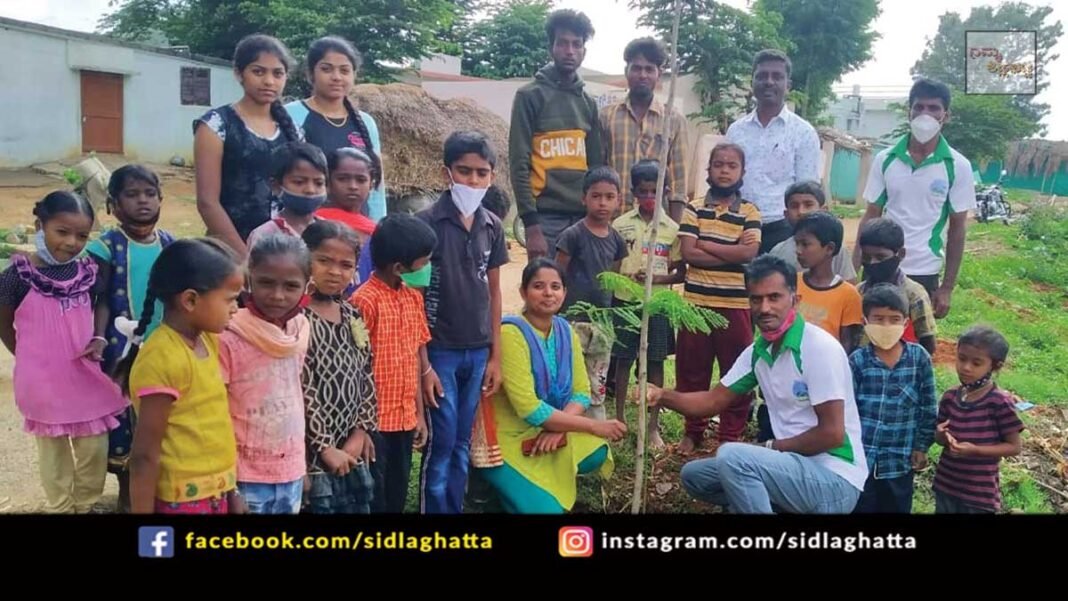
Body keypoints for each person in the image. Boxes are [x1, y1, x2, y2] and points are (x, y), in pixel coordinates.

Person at [647, 255, 868, 514]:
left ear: (795, 300)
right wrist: (660, 395)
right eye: (756, 299)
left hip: (834, 480)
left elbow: (832, 434)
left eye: (774, 297)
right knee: (695, 475)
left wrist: (772, 448)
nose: (764, 308)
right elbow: (712, 401)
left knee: (733, 457)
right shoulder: (758, 352)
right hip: (792, 467)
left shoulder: (819, 348)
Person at [0, 192, 127, 514]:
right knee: (53, 453)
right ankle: (61, 507)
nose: (72, 242)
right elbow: (3, 322)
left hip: (84, 376)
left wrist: (98, 336)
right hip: (42, 381)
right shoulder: (16, 277)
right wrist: (26, 355)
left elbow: (101, 303)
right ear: (39, 226)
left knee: (94, 449)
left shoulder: (87, 271)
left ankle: (85, 504)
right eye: (62, 231)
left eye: (82, 235)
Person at [477, 259, 627, 513]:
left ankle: (535, 483)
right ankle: (499, 495)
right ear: (523, 292)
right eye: (538, 286)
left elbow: (581, 392)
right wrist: (593, 425)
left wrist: (558, 430)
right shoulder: (510, 335)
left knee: (597, 453)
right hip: (508, 439)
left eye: (555, 287)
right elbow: (530, 410)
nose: (548, 293)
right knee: (548, 512)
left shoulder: (565, 331)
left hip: (547, 431)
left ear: (564, 293)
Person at [417, 131, 509, 514]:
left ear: (491, 176)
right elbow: (414, 300)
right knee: (441, 442)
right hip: (440, 351)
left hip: (478, 352)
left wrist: (496, 357)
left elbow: (495, 292)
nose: (473, 181)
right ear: (446, 173)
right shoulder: (426, 225)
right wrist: (422, 367)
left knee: (460, 444)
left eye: (481, 173)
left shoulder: (492, 226)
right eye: (464, 171)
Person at [120, 238, 244, 514]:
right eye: (230, 299)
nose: (236, 308)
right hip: (182, 502)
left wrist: (231, 489)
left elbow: (213, 424)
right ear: (190, 300)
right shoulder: (162, 358)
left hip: (217, 493)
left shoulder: (208, 341)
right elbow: (144, 455)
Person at [87, 165, 175, 512]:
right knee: (125, 420)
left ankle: (159, 492)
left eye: (149, 194)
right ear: (113, 204)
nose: (142, 201)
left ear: (160, 200)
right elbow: (102, 298)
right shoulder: (106, 246)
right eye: (132, 194)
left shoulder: (170, 244)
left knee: (160, 418)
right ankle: (128, 497)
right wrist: (98, 337)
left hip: (163, 345)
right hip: (121, 348)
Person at [855, 77, 976, 317]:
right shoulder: (886, 159)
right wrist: (853, 270)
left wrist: (947, 288)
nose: (925, 114)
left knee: (916, 344)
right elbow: (871, 216)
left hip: (924, 270)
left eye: (934, 108)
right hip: (879, 265)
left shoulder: (958, 166)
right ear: (909, 112)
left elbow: (957, 229)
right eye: (919, 107)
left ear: (946, 116)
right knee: (869, 337)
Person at [675, 143, 761, 453]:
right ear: (709, 170)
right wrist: (731, 253)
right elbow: (687, 252)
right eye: (719, 164)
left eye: (732, 165)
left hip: (736, 305)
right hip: (695, 304)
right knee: (691, 370)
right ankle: (693, 431)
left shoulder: (750, 211)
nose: (725, 170)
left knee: (736, 371)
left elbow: (750, 253)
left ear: (742, 172)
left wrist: (706, 246)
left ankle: (730, 435)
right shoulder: (694, 207)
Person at [219, 234, 311, 514]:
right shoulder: (228, 334)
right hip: (244, 475)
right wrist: (229, 485)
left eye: (291, 286)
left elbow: (295, 398)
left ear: (307, 286)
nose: (278, 295)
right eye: (266, 282)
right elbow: (216, 412)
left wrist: (300, 466)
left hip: (290, 469)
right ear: (248, 280)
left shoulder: (300, 328)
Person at [351, 215, 437, 513]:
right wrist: (359, 427)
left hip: (404, 419)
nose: (427, 268)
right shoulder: (364, 302)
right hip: (373, 424)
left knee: (397, 495)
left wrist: (419, 416)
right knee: (374, 498)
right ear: (399, 267)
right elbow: (356, 368)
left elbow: (414, 355)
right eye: (423, 262)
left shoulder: (412, 297)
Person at [194, 34, 303, 257]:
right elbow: (208, 202)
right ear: (238, 73)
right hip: (229, 254)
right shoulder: (216, 125)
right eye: (258, 71)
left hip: (286, 256)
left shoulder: (294, 130)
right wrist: (246, 259)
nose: (269, 81)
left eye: (277, 73)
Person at [509, 8, 604, 261]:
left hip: (583, 218)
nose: (570, 51)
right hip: (544, 219)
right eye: (563, 43)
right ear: (551, 47)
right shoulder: (529, 96)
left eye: (577, 44)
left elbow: (596, 167)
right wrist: (531, 224)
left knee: (583, 296)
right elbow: (519, 163)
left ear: (584, 50)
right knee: (544, 296)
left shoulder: (588, 103)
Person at [300, 221, 378, 514]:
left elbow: (366, 372)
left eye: (346, 265)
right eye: (323, 261)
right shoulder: (297, 318)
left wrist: (361, 431)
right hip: (313, 457)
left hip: (351, 448)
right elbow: (302, 386)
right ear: (303, 258)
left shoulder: (351, 313)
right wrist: (323, 447)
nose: (335, 272)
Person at [611, 159, 684, 445]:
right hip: (626, 302)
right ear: (634, 193)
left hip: (658, 305)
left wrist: (657, 281)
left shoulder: (672, 229)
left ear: (666, 192)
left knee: (655, 361)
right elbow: (612, 268)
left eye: (655, 191)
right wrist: (625, 279)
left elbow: (680, 271)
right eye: (643, 192)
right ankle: (618, 418)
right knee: (624, 360)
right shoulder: (621, 225)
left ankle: (652, 424)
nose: (649, 198)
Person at [850, 284, 936, 514]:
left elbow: (928, 406)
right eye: (878, 319)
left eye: (894, 319)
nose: (886, 326)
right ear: (865, 321)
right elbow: (847, 411)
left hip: (899, 462)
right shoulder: (857, 361)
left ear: (906, 323)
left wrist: (922, 446)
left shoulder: (919, 359)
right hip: (861, 461)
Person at [725, 49, 821, 254]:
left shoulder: (803, 132)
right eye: (762, 76)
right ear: (752, 83)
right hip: (737, 228)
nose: (769, 82)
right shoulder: (736, 131)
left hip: (783, 230)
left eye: (777, 76)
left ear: (788, 85)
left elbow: (808, 190)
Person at [286, 36, 387, 222]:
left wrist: (378, 228)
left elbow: (376, 187)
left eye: (344, 70)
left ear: (354, 75)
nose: (336, 77)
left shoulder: (366, 122)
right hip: (308, 227)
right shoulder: (292, 115)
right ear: (310, 74)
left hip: (359, 229)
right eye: (326, 69)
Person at [934, 326, 1023, 514]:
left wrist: (976, 450)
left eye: (976, 363)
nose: (966, 367)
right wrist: (941, 435)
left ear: (995, 366)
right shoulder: (950, 396)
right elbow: (939, 437)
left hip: (978, 495)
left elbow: (1014, 447)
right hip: (946, 485)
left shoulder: (999, 402)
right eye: (962, 359)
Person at [600, 37, 689, 221]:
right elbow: (598, 172)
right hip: (613, 222)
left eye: (649, 69)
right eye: (636, 68)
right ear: (626, 71)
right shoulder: (606, 117)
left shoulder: (673, 120)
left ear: (659, 73)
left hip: (655, 226)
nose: (643, 75)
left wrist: (674, 231)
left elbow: (678, 184)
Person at [856, 218, 937, 355]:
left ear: (900, 254)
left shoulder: (914, 294)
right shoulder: (858, 292)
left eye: (880, 257)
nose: (872, 263)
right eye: (866, 257)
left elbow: (927, 341)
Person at [793, 211, 863, 353]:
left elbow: (847, 343)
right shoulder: (792, 283)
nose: (798, 251)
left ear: (829, 248)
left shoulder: (848, 294)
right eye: (797, 243)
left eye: (805, 244)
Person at [768, 181, 857, 283]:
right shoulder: (778, 252)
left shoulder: (836, 250)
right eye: (794, 206)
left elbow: (850, 286)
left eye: (808, 205)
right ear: (786, 214)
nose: (801, 212)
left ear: (823, 210)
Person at [246, 142, 327, 248]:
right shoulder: (265, 235)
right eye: (299, 182)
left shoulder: (329, 231)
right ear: (275, 186)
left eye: (318, 183)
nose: (310, 190)